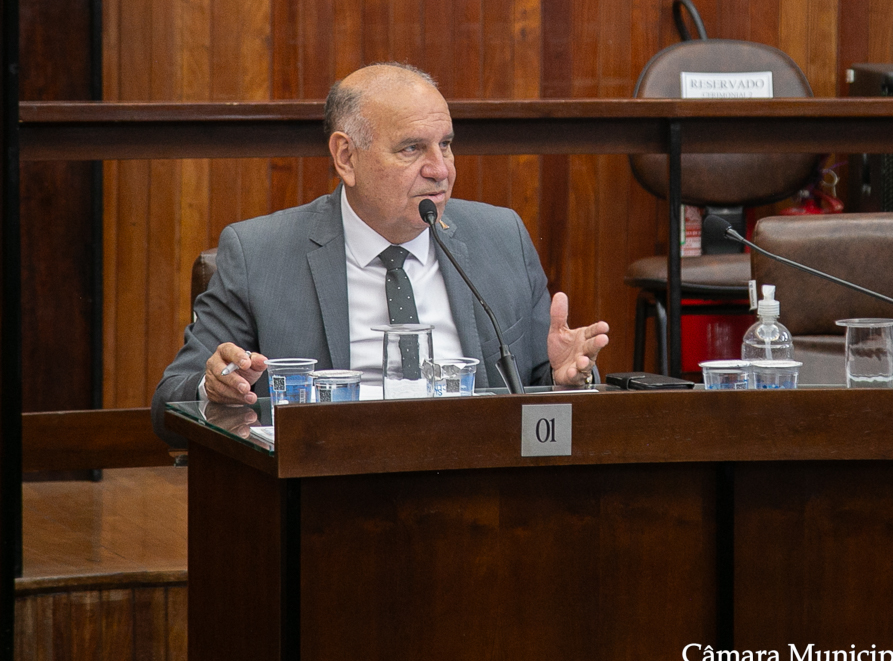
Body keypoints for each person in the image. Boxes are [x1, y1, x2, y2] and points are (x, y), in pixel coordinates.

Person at [152, 62, 609, 443]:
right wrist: (216, 387)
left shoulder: (501, 237)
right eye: (412, 148)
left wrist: (566, 380)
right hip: (333, 487)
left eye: (446, 145)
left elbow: (537, 389)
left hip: (478, 479)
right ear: (346, 157)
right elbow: (169, 405)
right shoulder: (259, 255)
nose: (440, 170)